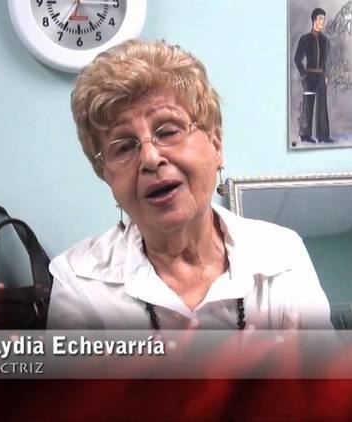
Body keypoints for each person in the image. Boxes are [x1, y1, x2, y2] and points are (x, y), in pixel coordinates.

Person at [47, 39, 332, 330]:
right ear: (106, 175)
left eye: (168, 131)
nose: (150, 158)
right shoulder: (77, 279)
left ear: (216, 144)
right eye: (124, 147)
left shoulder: (281, 254)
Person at [294, 8, 333, 144]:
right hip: (309, 76)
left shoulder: (325, 41)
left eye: (324, 18)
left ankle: (323, 136)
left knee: (322, 106)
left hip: (321, 77)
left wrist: (326, 74)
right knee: (308, 105)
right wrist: (304, 75)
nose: (323, 21)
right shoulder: (305, 39)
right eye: (320, 18)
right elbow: (297, 59)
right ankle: (305, 135)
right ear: (314, 20)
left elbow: (326, 61)